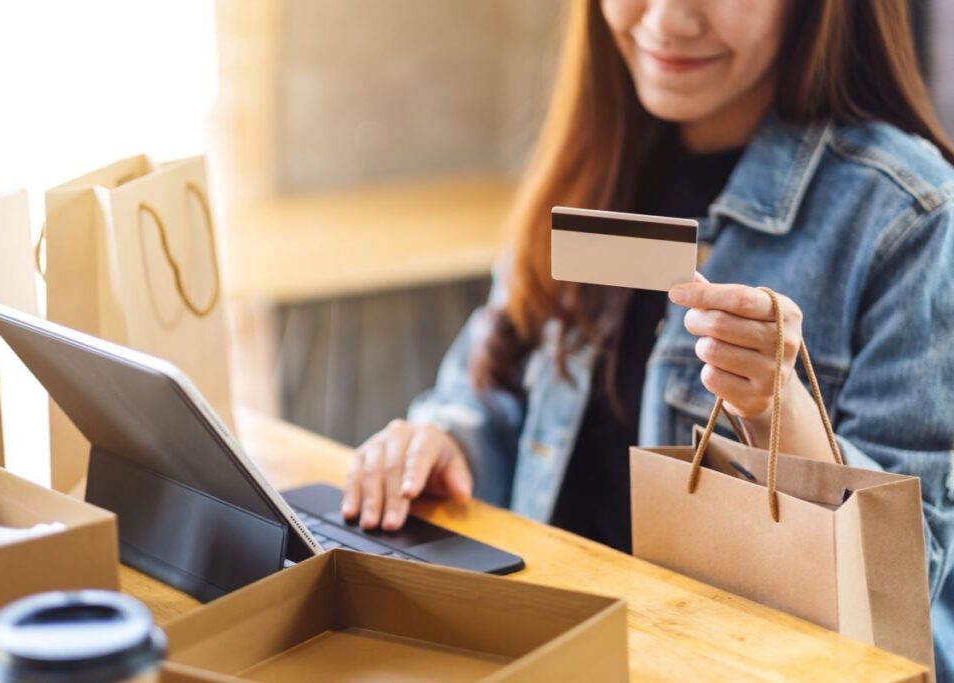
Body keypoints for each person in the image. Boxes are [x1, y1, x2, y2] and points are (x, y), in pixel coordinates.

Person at [341, 0, 954, 675]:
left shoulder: (909, 215)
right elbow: (495, 389)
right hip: (543, 644)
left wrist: (779, 409)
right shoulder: (593, 153)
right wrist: (440, 441)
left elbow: (908, 607)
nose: (665, 20)